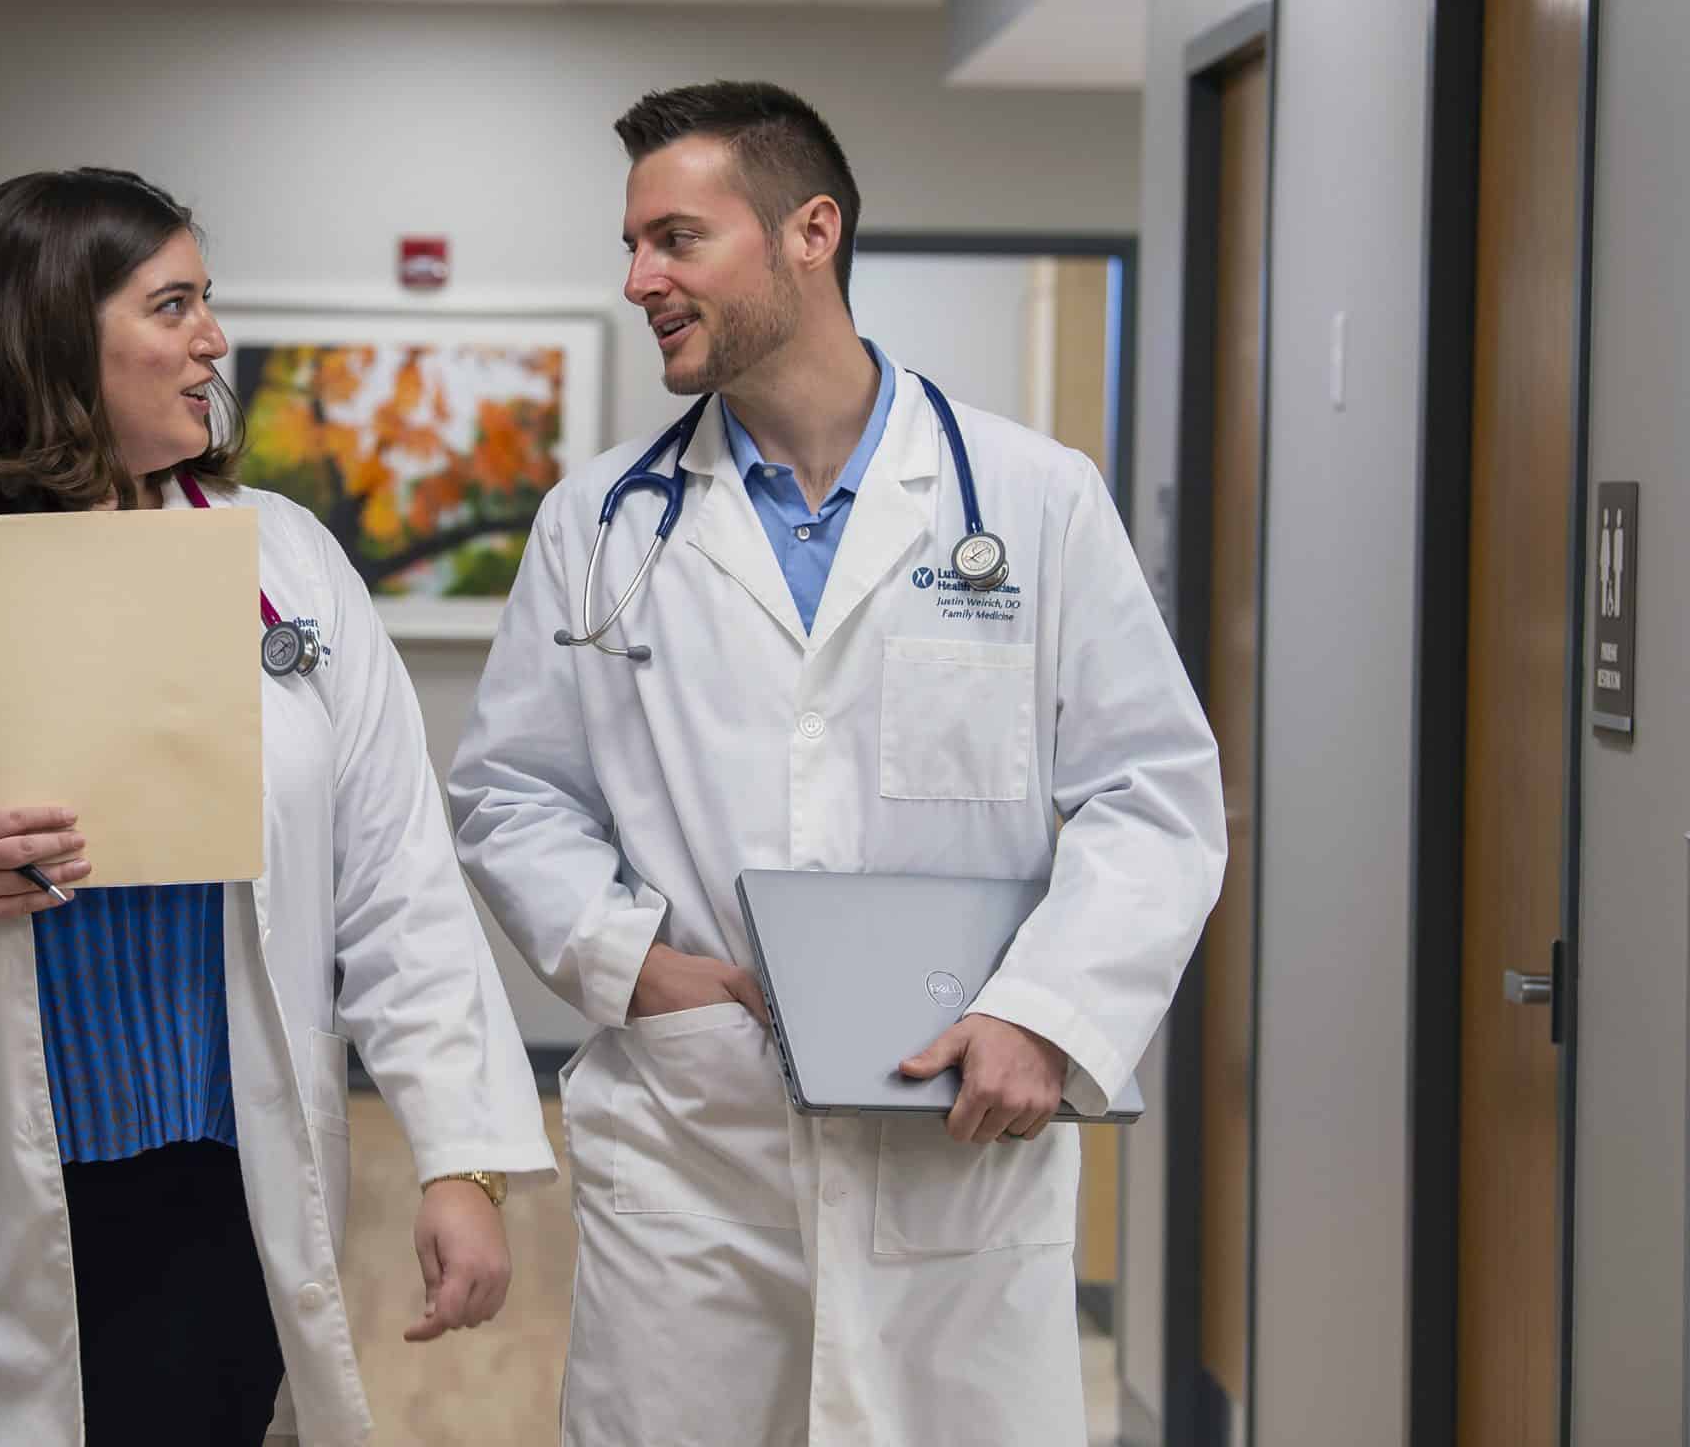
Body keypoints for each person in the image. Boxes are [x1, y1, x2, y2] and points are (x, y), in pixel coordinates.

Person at [0, 168, 554, 1447]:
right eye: (173, 305)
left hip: (210, 1187)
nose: (213, 341)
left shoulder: (284, 561)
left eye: (205, 301)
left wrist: (459, 1159)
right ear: (55, 335)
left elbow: (394, 880)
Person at [448, 82, 1225, 1445]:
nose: (640, 280)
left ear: (811, 231)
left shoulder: (1032, 499)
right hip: (700, 1145)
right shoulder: (601, 523)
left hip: (952, 1162)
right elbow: (511, 795)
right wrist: (636, 965)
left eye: (677, 239)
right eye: (631, 246)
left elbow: (1152, 796)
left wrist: (1048, 1012)